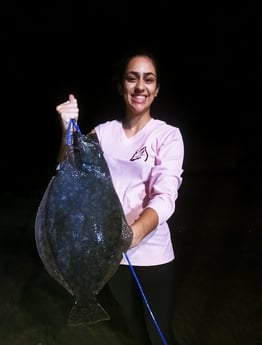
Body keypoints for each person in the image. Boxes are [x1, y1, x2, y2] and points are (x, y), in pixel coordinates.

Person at [56, 49, 184, 345]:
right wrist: (66, 132)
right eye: (132, 78)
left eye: (148, 80)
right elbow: (67, 172)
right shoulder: (103, 133)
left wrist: (134, 233)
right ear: (121, 86)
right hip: (113, 255)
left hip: (153, 255)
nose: (140, 86)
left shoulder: (166, 135)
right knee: (135, 329)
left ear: (157, 89)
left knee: (159, 331)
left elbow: (165, 196)